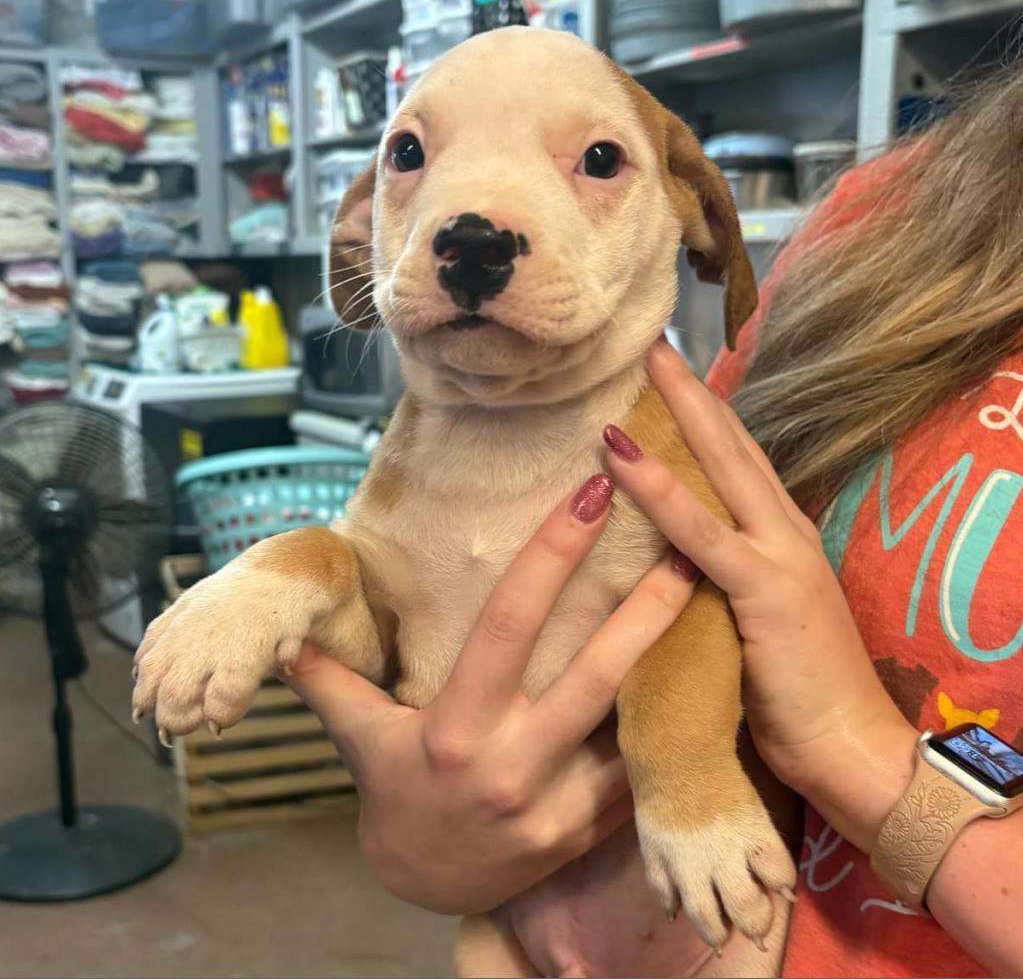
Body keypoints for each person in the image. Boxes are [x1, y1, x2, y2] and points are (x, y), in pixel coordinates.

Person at [287, 62, 1023, 978]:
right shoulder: (877, 220)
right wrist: (426, 835)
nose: (478, 232)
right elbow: (680, 572)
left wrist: (856, 760)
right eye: (408, 154)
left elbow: (685, 617)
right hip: (550, 917)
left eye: (596, 159)